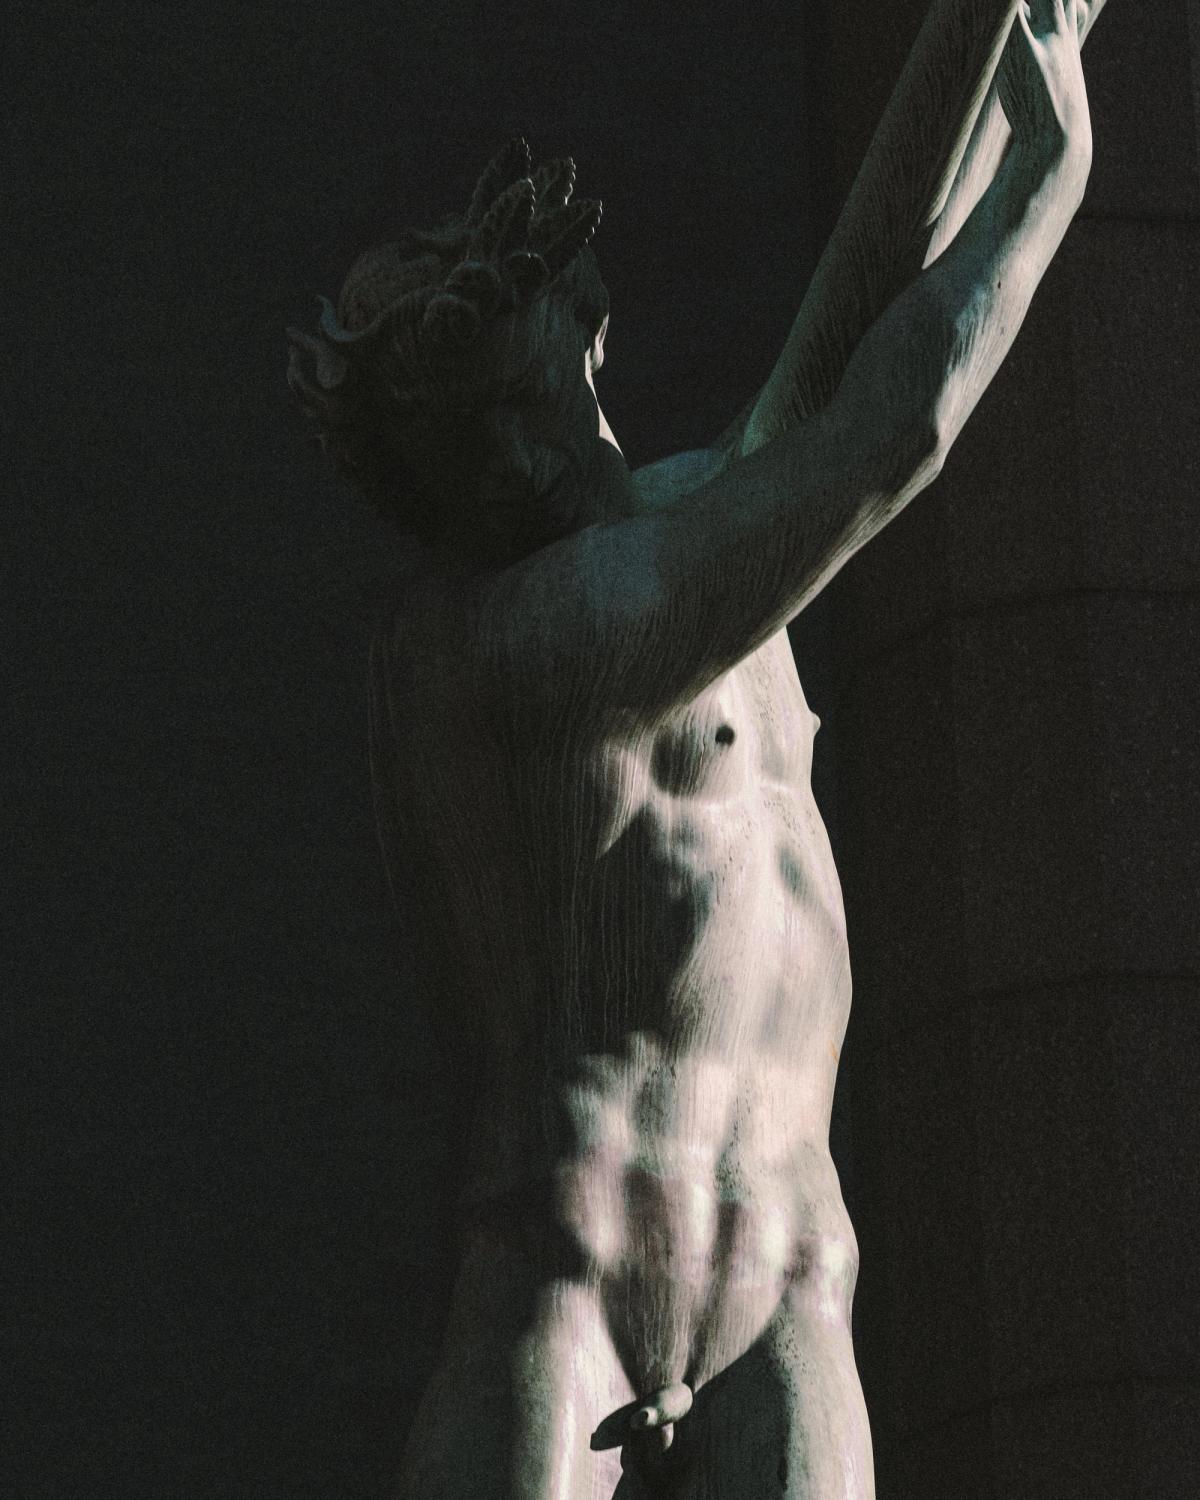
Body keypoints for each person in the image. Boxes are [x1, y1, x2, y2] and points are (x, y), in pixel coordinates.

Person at [288, 4, 1093, 1494]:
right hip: (566, 1290)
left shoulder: (686, 524)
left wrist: (1001, 37)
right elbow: (886, 431)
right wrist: (1052, 174)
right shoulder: (541, 629)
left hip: (788, 1282)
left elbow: (857, 310)